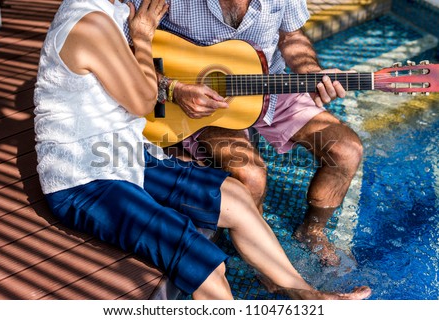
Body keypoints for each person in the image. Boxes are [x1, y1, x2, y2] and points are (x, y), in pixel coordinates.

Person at [34, 0, 371, 299]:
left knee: (242, 196)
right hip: (86, 173)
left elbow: (292, 37)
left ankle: (306, 292)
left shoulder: (114, 11)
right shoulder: (93, 21)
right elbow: (141, 97)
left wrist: (311, 73)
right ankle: (258, 278)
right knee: (204, 251)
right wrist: (156, 58)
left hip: (129, 154)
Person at [125, 0, 362, 266]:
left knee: (346, 150)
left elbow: (291, 36)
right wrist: (171, 88)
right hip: (194, 102)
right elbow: (123, 50)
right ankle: (262, 256)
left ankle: (312, 231)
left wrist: (312, 74)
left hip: (269, 84)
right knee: (251, 176)